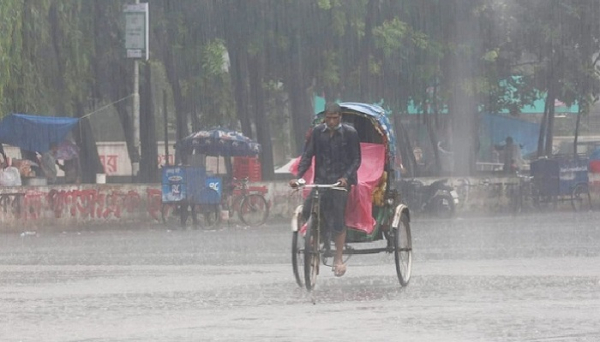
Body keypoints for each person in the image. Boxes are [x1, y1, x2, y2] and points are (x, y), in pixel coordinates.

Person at [289, 102, 361, 277]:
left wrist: (345, 178)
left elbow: (356, 160)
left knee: (338, 219)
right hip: (321, 181)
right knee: (307, 210)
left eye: (334, 118)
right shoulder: (317, 133)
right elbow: (307, 156)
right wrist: (299, 177)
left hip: (340, 183)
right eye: (328, 118)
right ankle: (315, 238)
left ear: (340, 118)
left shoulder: (350, 133)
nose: (331, 121)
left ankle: (338, 258)